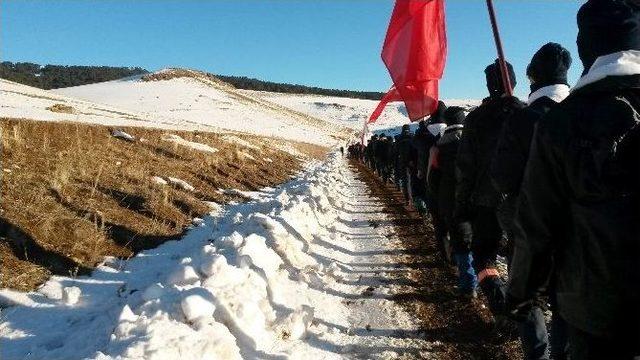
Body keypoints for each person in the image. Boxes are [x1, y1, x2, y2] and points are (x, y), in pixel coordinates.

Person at [507, 1, 640, 359]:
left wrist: (521, 293)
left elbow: (537, 225)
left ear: (586, 47)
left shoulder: (560, 124)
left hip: (597, 311)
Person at [492, 43, 572, 360]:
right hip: (578, 232)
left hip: (528, 228)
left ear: (532, 79)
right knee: (567, 302)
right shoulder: (585, 111)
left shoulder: (521, 120)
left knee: (530, 299)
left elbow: (503, 177)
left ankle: (537, 354)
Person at [455, 59, 525, 317]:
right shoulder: (526, 113)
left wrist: (461, 207)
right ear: (514, 83)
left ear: (488, 85)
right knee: (519, 260)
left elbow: (465, 168)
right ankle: (522, 314)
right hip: (521, 201)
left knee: (484, 257)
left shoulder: (475, 120)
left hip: (485, 201)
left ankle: (498, 303)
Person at [428, 106, 477, 296]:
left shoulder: (438, 147)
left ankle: (468, 284)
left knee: (459, 239)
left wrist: (439, 198)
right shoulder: (475, 141)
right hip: (476, 198)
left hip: (449, 199)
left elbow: (432, 180)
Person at [395, 125, 414, 204]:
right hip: (413, 162)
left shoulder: (398, 139)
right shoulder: (412, 137)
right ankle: (415, 198)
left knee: (405, 181)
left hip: (402, 162)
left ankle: (408, 198)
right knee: (414, 180)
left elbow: (396, 152)